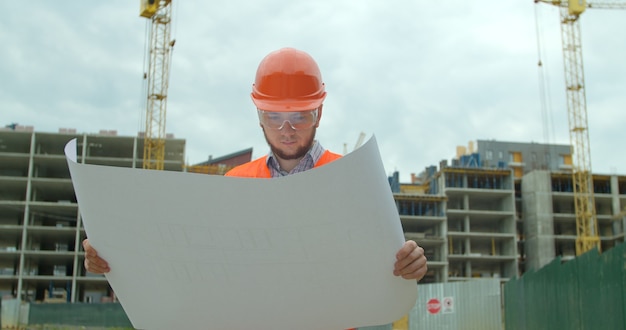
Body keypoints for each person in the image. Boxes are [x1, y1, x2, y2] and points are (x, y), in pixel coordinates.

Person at [83, 47, 428, 282]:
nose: (287, 130)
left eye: (299, 117)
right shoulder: (236, 182)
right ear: (259, 117)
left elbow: (382, 262)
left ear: (319, 114)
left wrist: (409, 264)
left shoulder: (353, 178)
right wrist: (116, 258)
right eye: (274, 117)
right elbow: (194, 259)